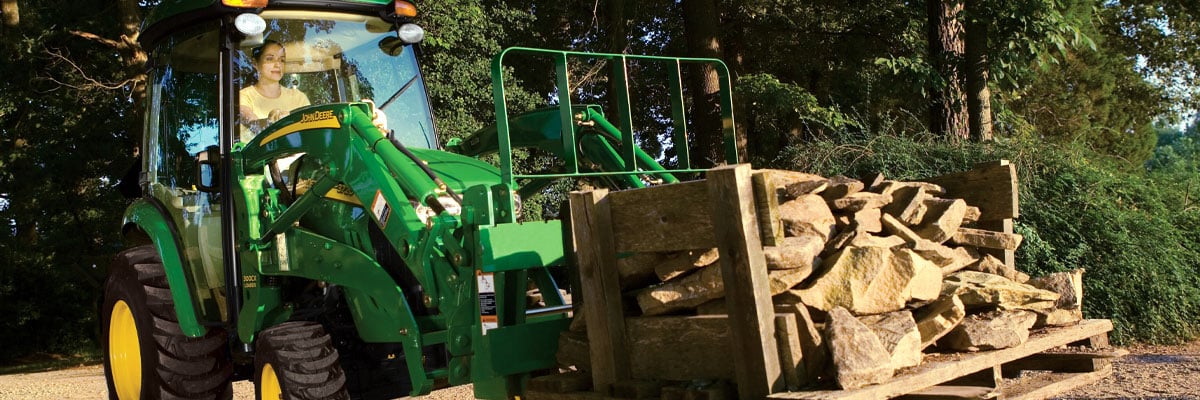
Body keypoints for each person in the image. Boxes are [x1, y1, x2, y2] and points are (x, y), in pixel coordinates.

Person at [239, 40, 310, 141]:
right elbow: (251, 122)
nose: (278, 65)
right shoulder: (243, 96)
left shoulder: (299, 97)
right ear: (255, 63)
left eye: (282, 60)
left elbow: (309, 132)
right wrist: (271, 122)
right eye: (270, 59)